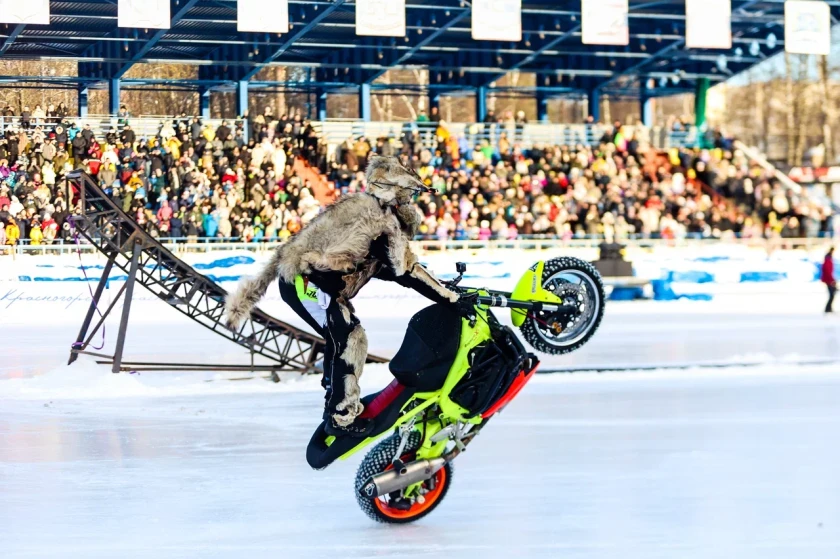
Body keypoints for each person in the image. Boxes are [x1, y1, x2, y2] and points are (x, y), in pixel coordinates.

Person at [224, 156, 469, 437]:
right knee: (350, 338)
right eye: (409, 193)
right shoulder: (383, 218)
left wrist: (441, 286)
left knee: (341, 335)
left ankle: (334, 398)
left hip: (303, 279)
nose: (411, 200)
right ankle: (341, 416)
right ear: (394, 191)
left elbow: (380, 266)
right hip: (307, 281)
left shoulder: (361, 208)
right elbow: (405, 270)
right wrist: (449, 297)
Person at [822, 247, 835, 313]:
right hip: (828, 280)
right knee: (832, 294)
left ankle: (829, 308)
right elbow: (827, 271)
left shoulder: (828, 259)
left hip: (829, 279)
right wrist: (831, 279)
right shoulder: (828, 259)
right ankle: (828, 308)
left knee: (832, 294)